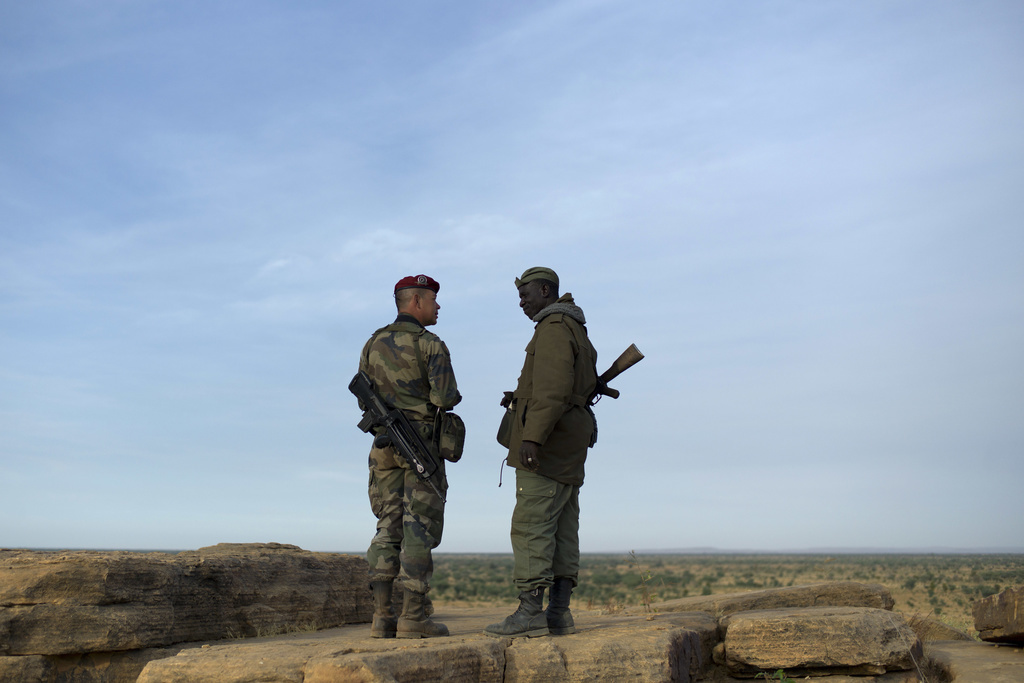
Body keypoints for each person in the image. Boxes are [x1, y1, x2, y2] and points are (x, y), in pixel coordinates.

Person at [485, 267, 598, 638]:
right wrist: (519, 397)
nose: (522, 303)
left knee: (532, 525)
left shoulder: (551, 328)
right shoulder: (574, 327)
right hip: (570, 443)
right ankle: (559, 613)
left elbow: (551, 390)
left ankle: (531, 612)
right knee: (565, 526)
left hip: (548, 447)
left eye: (526, 295)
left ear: (546, 291)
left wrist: (531, 436)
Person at [359, 274, 461, 639]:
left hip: (384, 446)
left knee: (388, 525)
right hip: (419, 446)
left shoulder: (373, 342)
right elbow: (446, 398)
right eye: (433, 300)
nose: (438, 306)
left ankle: (381, 616)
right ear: (416, 302)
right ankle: (414, 617)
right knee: (418, 529)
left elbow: (363, 394)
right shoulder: (431, 345)